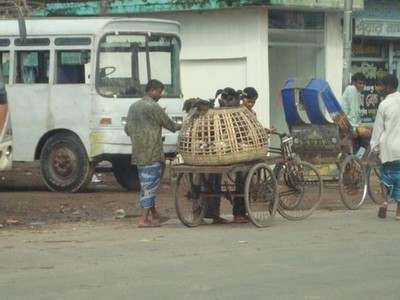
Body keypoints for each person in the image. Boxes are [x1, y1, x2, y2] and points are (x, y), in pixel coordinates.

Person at [124, 79, 181, 228]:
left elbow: (127, 130)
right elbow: (171, 125)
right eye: (159, 92)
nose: (160, 95)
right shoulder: (153, 107)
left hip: (138, 153)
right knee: (150, 187)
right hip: (153, 152)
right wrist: (184, 125)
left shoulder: (133, 107)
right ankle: (143, 219)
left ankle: (155, 216)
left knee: (147, 185)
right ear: (152, 90)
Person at [232, 87, 276, 223]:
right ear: (243, 99)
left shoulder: (252, 113)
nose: (250, 104)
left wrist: (265, 131)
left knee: (248, 183)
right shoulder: (237, 113)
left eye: (253, 102)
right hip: (239, 151)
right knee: (241, 182)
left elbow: (255, 129)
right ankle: (237, 213)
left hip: (250, 151)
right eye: (248, 101)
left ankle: (244, 211)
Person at [370, 74, 400, 221]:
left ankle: (385, 201)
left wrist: (374, 148)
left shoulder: (384, 105)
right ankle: (399, 213)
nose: (382, 88)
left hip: (388, 146)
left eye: (383, 85)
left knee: (385, 175)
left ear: (388, 86)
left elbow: (378, 129)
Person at [340, 72, 372, 162]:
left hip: (350, 125)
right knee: (373, 134)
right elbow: (352, 114)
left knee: (367, 132)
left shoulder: (354, 92)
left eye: (363, 84)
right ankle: (363, 160)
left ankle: (360, 157)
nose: (362, 86)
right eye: (360, 83)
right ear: (353, 82)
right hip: (350, 126)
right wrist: (353, 130)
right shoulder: (352, 89)